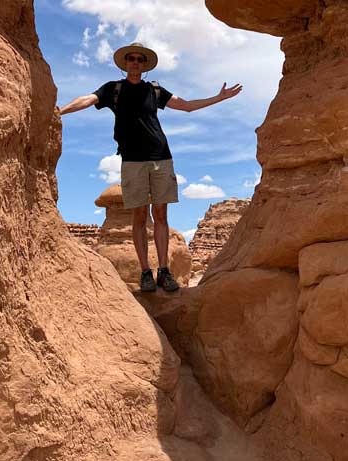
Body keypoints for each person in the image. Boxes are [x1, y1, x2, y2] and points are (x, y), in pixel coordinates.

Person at [58, 41, 242, 292]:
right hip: (132, 160)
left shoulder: (154, 91)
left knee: (161, 215)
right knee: (139, 216)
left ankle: (164, 271)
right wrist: (60, 111)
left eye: (139, 59)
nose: (135, 62)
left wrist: (219, 98)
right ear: (125, 63)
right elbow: (88, 99)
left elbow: (186, 105)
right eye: (131, 58)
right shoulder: (113, 89)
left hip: (160, 157)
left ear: (145, 66)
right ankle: (146, 272)